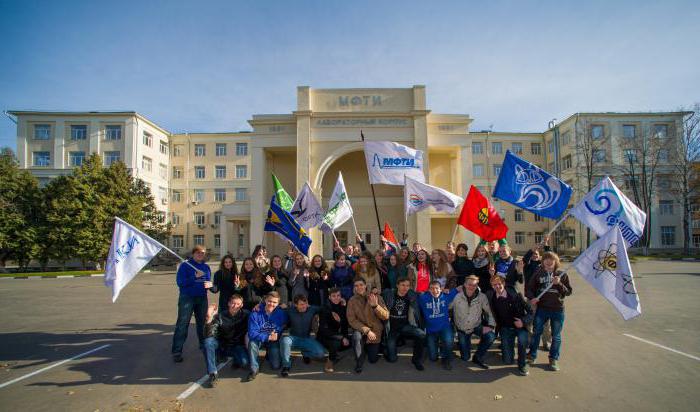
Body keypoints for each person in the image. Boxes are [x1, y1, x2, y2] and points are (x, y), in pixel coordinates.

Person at [526, 251, 572, 371]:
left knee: (556, 336)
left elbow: (568, 292)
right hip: (542, 309)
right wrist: (532, 298)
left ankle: (553, 359)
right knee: (536, 333)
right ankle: (532, 355)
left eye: (551, 259)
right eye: (546, 258)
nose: (548, 261)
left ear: (556, 261)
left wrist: (559, 284)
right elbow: (529, 289)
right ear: (543, 261)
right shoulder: (538, 273)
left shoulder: (562, 274)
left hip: (557, 310)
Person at [172, 245, 212, 363]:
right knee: (183, 324)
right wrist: (194, 277)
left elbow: (208, 282)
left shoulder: (205, 267)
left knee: (202, 324)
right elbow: (180, 283)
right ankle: (177, 351)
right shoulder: (185, 266)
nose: (201, 254)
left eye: (203, 253)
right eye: (198, 252)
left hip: (202, 298)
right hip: (187, 298)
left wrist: (211, 286)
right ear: (193, 253)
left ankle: (203, 345)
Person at [488, 275, 533, 376]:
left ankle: (522, 364)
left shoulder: (516, 295)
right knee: (507, 360)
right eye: (494, 285)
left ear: (503, 283)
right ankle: (506, 351)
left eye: (499, 284)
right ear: (492, 286)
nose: (497, 286)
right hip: (505, 328)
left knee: (522, 342)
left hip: (520, 327)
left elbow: (531, 312)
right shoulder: (492, 298)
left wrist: (523, 321)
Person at [203, 295, 249, 387]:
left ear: (242, 305)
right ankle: (213, 373)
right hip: (222, 344)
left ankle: (233, 358)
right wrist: (209, 319)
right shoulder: (220, 316)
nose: (235, 306)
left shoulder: (247, 314)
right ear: (228, 303)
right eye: (233, 303)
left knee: (245, 363)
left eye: (238, 304)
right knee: (208, 342)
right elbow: (209, 335)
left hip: (237, 345)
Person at [451, 275, 496, 369]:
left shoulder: (482, 297)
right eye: (469, 284)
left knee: (491, 336)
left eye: (474, 285)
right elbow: (445, 307)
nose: (471, 287)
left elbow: (490, 312)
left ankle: (478, 356)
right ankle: (463, 346)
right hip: (462, 329)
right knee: (465, 357)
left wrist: (491, 325)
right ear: (465, 284)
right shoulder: (456, 296)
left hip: (476, 326)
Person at [347, 278, 389, 373]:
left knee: (373, 360)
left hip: (375, 330)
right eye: (356, 285)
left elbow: (386, 316)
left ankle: (368, 346)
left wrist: (375, 306)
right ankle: (359, 361)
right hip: (361, 329)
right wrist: (367, 330)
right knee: (356, 336)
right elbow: (352, 320)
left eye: (361, 285)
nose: (359, 287)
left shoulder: (376, 297)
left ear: (365, 285)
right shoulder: (352, 301)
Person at [383, 277, 426, 371]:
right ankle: (387, 349)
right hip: (392, 328)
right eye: (402, 285)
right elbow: (381, 292)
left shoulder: (411, 295)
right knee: (392, 359)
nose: (405, 288)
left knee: (421, 334)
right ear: (397, 285)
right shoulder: (389, 294)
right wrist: (374, 289)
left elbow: (423, 294)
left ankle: (416, 360)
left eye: (407, 286)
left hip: (405, 326)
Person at [279, 295, 327, 377]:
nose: (304, 306)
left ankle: (305, 353)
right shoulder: (290, 310)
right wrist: (259, 306)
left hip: (306, 338)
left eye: (305, 303)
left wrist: (341, 302)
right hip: (293, 338)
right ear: (295, 305)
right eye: (301, 304)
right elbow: (273, 305)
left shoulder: (311, 309)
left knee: (321, 354)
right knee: (285, 340)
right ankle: (286, 366)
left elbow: (324, 308)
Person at [246, 291, 287, 381]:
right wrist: (268, 337)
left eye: (274, 302)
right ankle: (254, 369)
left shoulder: (281, 313)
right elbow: (252, 333)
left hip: (273, 341)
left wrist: (278, 331)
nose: (271, 304)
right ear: (265, 300)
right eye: (269, 301)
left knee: (276, 366)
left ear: (278, 303)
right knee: (252, 344)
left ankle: (269, 353)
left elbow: (284, 324)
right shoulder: (255, 313)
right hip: (260, 339)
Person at [418, 280, 458, 370]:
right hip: (431, 329)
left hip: (444, 327)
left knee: (448, 340)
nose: (434, 291)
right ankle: (437, 347)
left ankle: (445, 357)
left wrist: (447, 290)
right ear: (428, 289)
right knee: (433, 358)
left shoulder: (446, 296)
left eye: (437, 288)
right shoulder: (423, 298)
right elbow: (412, 294)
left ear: (441, 289)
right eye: (431, 288)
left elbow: (460, 288)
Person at [317, 288, 351, 373]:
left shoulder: (342, 306)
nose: (336, 298)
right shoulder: (325, 309)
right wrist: (342, 337)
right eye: (334, 296)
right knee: (336, 343)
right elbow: (324, 330)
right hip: (324, 336)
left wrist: (345, 337)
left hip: (337, 334)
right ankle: (330, 361)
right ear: (329, 297)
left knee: (352, 341)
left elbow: (344, 325)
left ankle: (335, 352)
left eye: (338, 295)